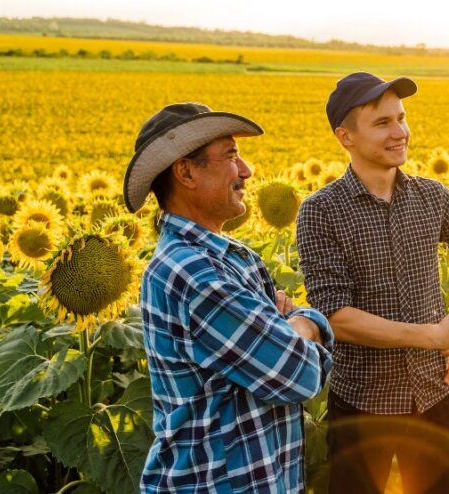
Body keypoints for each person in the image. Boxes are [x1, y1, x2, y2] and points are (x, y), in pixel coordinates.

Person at [296, 72, 449, 494]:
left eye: (401, 118)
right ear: (345, 136)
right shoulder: (321, 211)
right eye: (382, 123)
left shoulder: (432, 197)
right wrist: (433, 336)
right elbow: (337, 317)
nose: (400, 132)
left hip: (432, 396)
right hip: (361, 404)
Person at [123, 102, 334, 493]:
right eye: (231, 156)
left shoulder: (232, 257)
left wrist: (291, 329)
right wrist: (306, 323)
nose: (246, 171)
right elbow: (299, 375)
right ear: (185, 172)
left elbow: (285, 354)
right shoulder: (193, 274)